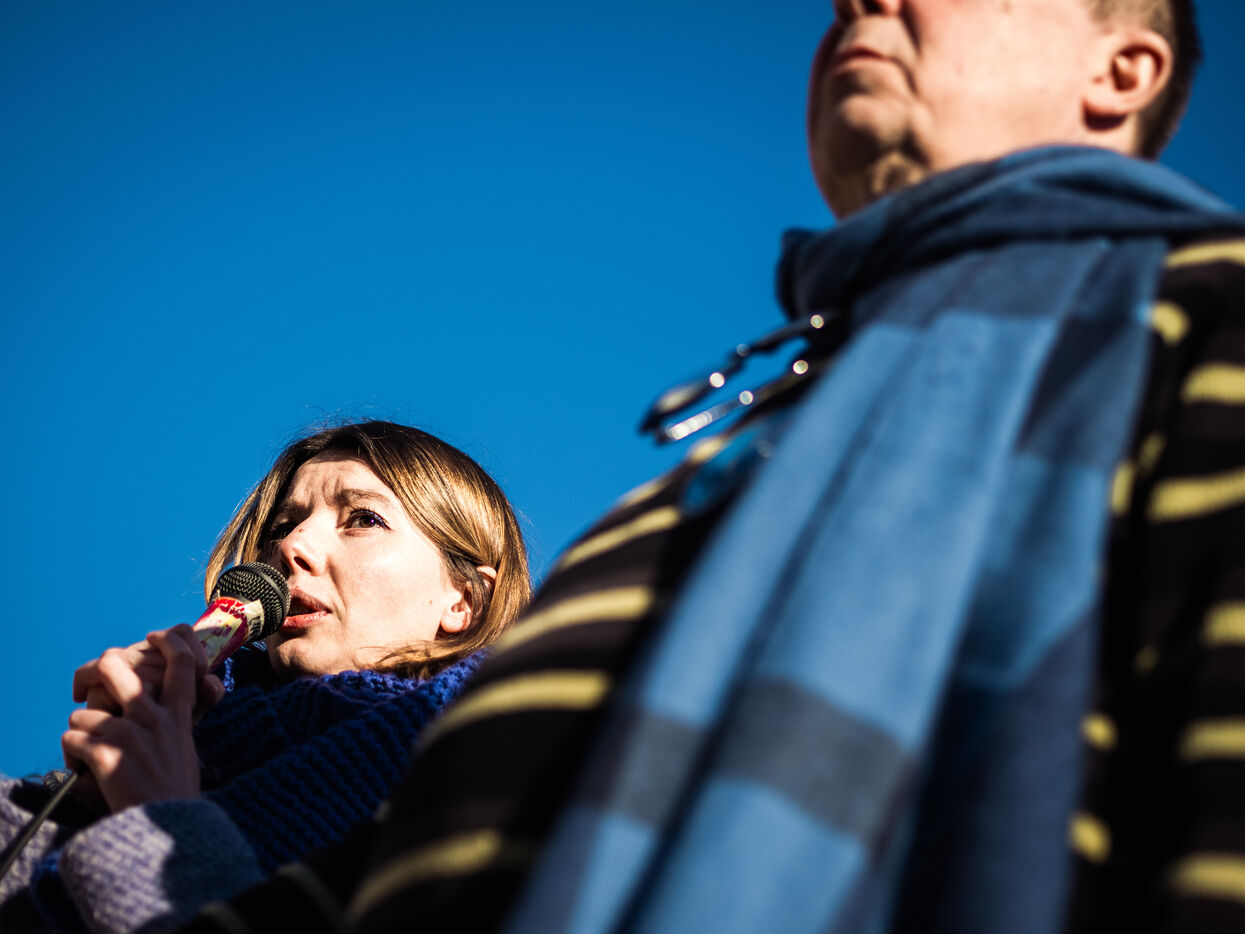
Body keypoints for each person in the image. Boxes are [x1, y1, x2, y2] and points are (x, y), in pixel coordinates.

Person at [180, 1, 1245, 933]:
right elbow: (445, 861)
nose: (858, 2)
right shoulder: (727, 472)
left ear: (1121, 72)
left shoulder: (1210, 322)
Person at [0, 420, 529, 932]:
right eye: (282, 526)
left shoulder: (492, 789)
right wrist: (83, 804)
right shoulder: (202, 730)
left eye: (363, 519)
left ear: (464, 601)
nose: (293, 546)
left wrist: (162, 822)